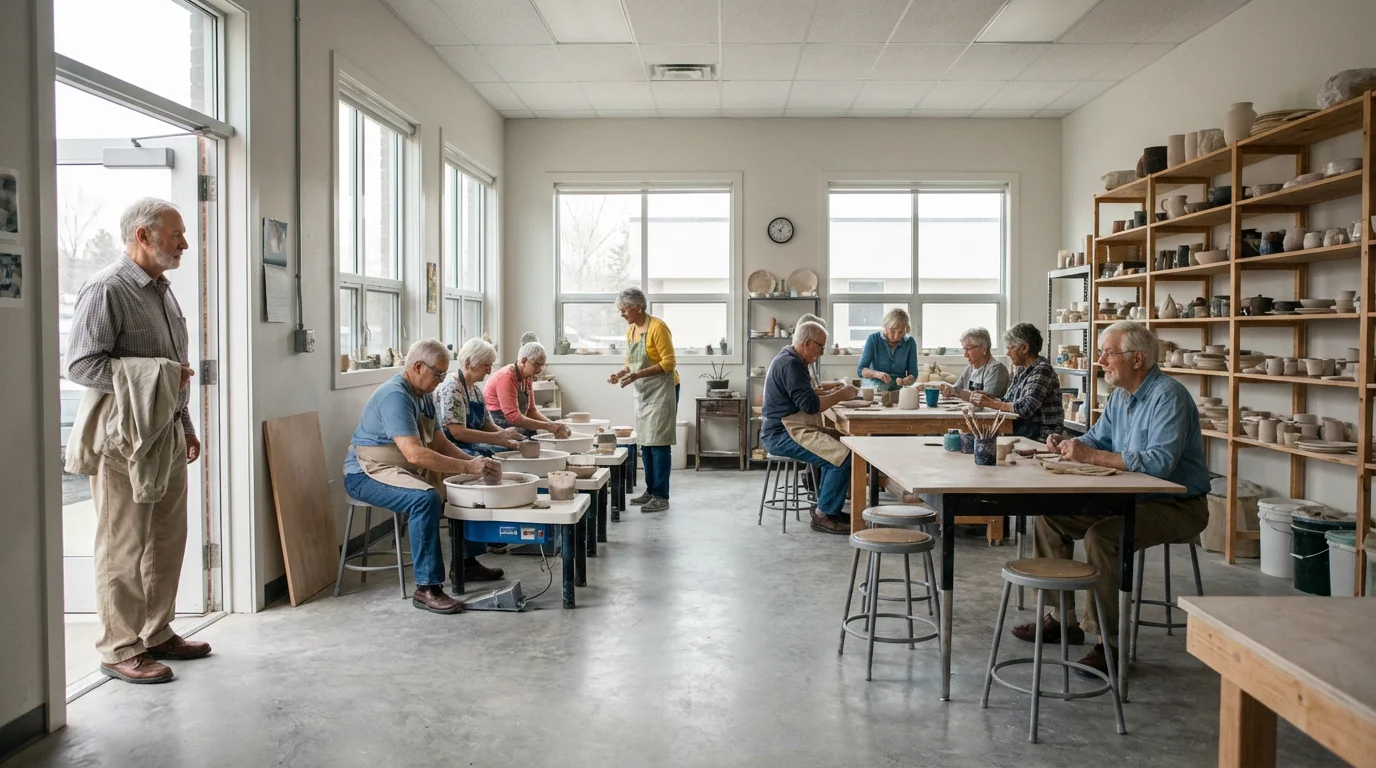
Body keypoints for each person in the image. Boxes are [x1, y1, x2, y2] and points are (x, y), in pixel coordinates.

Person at [1012, 322, 1210, 676]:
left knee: (1103, 537)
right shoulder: (1121, 397)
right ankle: (1063, 619)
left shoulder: (1170, 397)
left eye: (1107, 353)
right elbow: (1099, 441)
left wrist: (1090, 457)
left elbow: (1160, 464)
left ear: (1137, 359)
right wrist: (1069, 444)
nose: (1100, 360)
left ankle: (1108, 643)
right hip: (1130, 499)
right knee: (1050, 517)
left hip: (1177, 505)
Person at [63, 198, 205, 684]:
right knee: (122, 545)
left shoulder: (164, 291)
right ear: (142, 236)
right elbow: (82, 364)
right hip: (124, 440)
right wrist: (158, 377)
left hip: (165, 436)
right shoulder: (106, 289)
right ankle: (119, 647)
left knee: (167, 540)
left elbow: (174, 369)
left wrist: (184, 423)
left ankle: (157, 631)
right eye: (176, 234)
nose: (185, 243)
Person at [344, 339, 507, 615]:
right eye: (438, 374)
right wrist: (467, 467)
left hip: (399, 468)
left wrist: (474, 463)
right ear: (418, 366)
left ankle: (466, 562)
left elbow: (440, 443)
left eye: (445, 374)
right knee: (425, 499)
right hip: (366, 472)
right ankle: (427, 588)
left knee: (460, 487)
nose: (442, 380)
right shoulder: (396, 395)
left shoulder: (424, 394)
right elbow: (415, 455)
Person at [761, 321, 858, 535]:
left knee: (842, 440)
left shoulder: (791, 357)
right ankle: (823, 516)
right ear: (806, 342)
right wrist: (842, 395)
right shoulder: (791, 364)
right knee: (843, 456)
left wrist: (834, 392)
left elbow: (808, 396)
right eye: (820, 347)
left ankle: (828, 509)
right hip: (781, 432)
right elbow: (811, 405)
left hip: (789, 427)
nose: (822, 352)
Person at [607, 288, 679, 513]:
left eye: (624, 309)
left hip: (663, 390)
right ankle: (650, 491)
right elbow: (631, 363)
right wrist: (621, 373)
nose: (622, 314)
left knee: (659, 444)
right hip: (644, 392)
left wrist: (637, 375)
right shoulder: (631, 331)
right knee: (646, 444)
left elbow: (669, 363)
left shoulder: (658, 328)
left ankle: (661, 496)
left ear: (638, 307)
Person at [970, 323, 1063, 441]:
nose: (1007, 353)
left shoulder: (1042, 370)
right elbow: (1008, 401)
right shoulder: (1021, 370)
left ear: (1025, 348)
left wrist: (992, 404)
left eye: (1011, 347)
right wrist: (989, 399)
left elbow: (1026, 407)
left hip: (1041, 436)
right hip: (1023, 431)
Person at [435, 338, 521, 457]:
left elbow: (487, 424)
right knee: (495, 458)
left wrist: (508, 437)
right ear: (468, 363)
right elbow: (457, 433)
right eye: (486, 365)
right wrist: (498, 438)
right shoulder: (452, 387)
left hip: (471, 443)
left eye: (491, 365)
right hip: (453, 446)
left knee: (513, 451)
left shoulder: (475, 390)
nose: (489, 370)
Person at [484, 341, 570, 438]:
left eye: (542, 365)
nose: (540, 370)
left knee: (535, 437)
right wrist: (548, 426)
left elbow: (531, 411)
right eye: (537, 365)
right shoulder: (507, 377)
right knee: (530, 442)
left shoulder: (527, 377)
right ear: (524, 361)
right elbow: (513, 417)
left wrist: (555, 426)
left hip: (515, 423)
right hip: (498, 425)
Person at [857, 308, 918, 392]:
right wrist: (877, 374)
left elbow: (913, 374)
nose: (896, 336)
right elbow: (861, 370)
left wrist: (906, 380)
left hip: (897, 388)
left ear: (906, 330)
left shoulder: (910, 342)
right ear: (885, 326)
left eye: (901, 332)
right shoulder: (873, 339)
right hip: (874, 387)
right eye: (893, 331)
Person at [940, 327, 1009, 400]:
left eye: (968, 349)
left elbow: (986, 401)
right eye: (964, 349)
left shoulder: (996, 369)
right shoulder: (971, 367)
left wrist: (957, 392)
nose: (965, 355)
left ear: (983, 349)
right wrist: (948, 389)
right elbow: (956, 388)